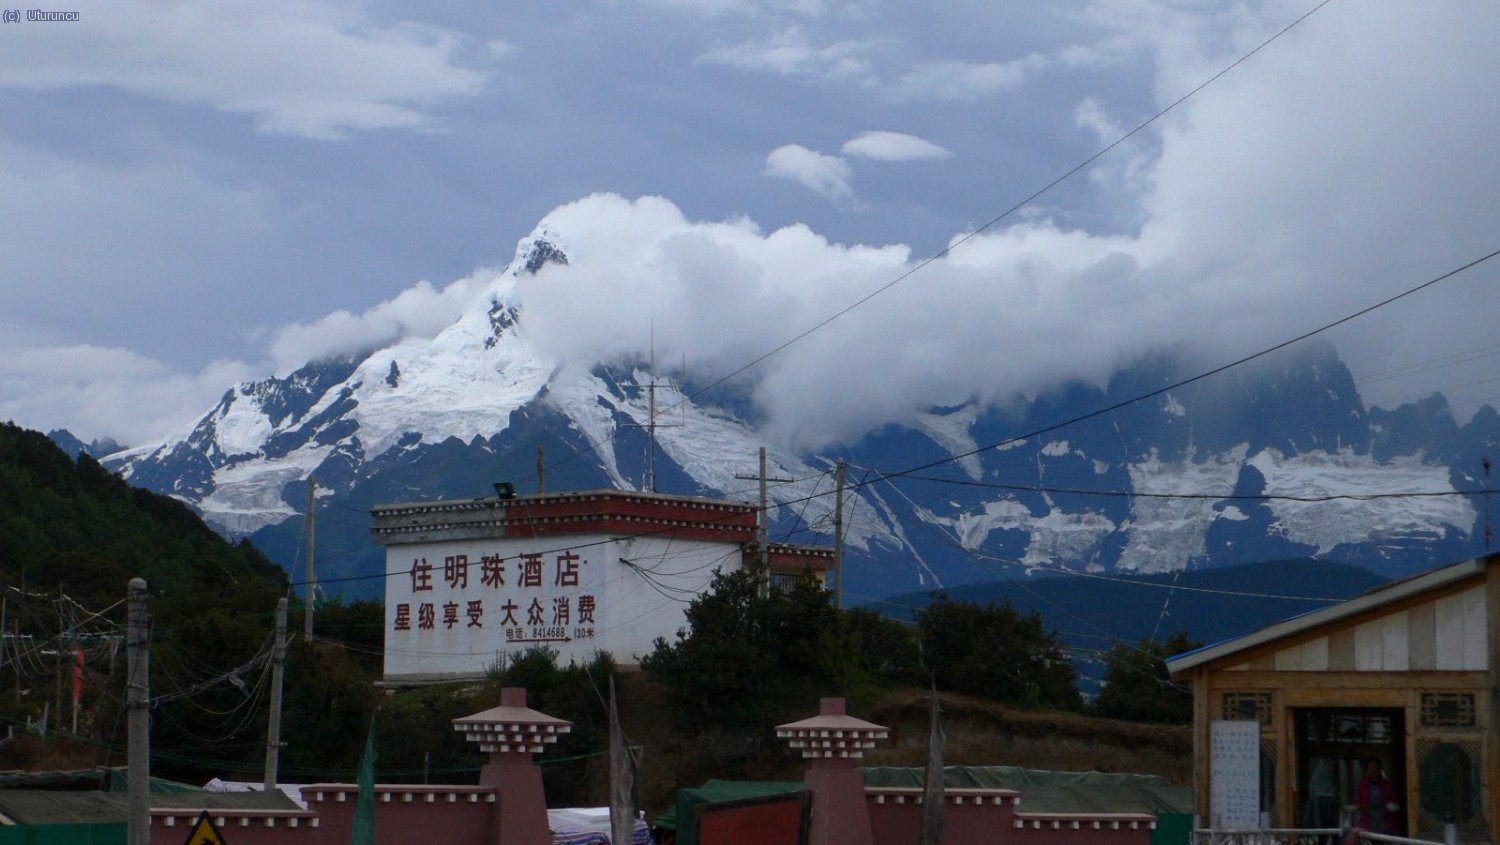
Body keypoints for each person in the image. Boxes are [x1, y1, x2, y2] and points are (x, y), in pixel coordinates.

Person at [1355, 757, 1399, 834]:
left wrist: (1392, 806)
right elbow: (1358, 803)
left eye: (1375, 767)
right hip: (1367, 826)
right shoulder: (1363, 786)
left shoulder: (1388, 785)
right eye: (1370, 768)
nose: (1373, 770)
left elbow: (1394, 803)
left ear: (1380, 769)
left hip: (1386, 826)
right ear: (1367, 770)